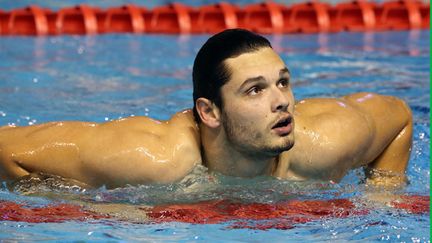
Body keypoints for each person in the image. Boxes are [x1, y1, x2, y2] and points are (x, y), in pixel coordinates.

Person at [0, 29, 412, 189]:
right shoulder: (157, 159)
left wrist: (384, 192)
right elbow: (9, 149)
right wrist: (51, 197)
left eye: (282, 82)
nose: (282, 101)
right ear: (209, 112)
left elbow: (397, 119)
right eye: (254, 91)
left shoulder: (324, 142)